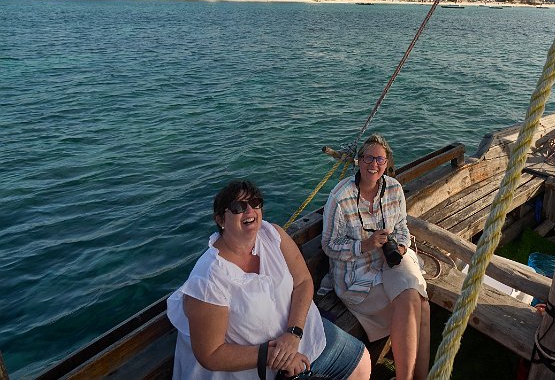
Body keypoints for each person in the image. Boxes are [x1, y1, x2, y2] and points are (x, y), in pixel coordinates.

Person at [167, 179, 371, 380]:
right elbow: (211, 354)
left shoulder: (272, 235)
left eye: (255, 203)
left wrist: (293, 334)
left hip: (302, 333)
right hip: (255, 364)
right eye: (238, 207)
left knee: (361, 361)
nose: (250, 211)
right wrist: (275, 356)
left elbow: (303, 282)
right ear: (220, 220)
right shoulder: (209, 278)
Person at [322, 134, 431, 380]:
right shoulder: (340, 197)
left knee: (420, 303)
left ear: (387, 162)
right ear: (359, 162)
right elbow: (328, 245)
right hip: (356, 273)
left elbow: (402, 227)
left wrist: (400, 247)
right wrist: (365, 245)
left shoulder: (394, 188)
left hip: (389, 262)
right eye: (368, 158)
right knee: (415, 303)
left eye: (380, 159)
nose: (374, 164)